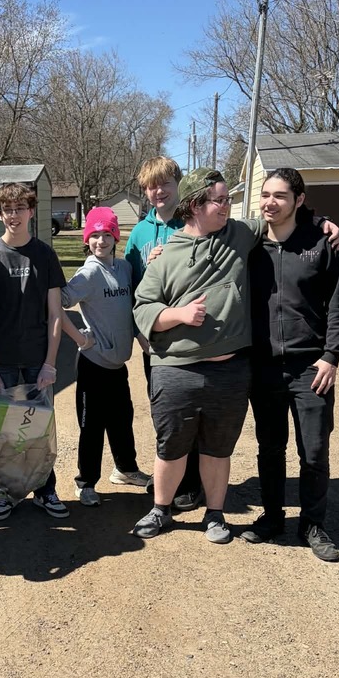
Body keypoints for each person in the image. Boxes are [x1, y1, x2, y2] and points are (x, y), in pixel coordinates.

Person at [132, 168, 260, 544]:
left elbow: (277, 219)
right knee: (171, 446)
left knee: (218, 448)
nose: (227, 206)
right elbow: (142, 309)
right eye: (219, 200)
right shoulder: (167, 255)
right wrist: (178, 315)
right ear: (195, 205)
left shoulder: (238, 234)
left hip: (229, 369)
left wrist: (320, 224)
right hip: (176, 370)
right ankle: (160, 509)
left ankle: (215, 515)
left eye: (227, 199)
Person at [242, 168, 339, 562]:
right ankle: (272, 518)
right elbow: (202, 238)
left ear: (299, 201)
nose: (270, 202)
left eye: (280, 196)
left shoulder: (320, 243)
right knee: (270, 448)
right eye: (265, 195)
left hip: (311, 366)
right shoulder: (250, 244)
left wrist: (332, 356)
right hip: (264, 365)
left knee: (315, 451)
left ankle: (313, 525)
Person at [0, 182, 69, 520]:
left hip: (37, 362)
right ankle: (7, 494)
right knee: (7, 434)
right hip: (3, 363)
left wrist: (50, 364)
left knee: (39, 431)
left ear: (31, 211)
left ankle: (45, 490)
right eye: (7, 209)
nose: (14, 215)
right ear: (0, 214)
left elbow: (56, 314)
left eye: (19, 208)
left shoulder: (45, 254)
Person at [124, 157, 203, 510]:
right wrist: (137, 331)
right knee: (165, 413)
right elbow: (130, 284)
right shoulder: (140, 233)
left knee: (194, 410)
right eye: (151, 186)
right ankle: (169, 475)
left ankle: (191, 481)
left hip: (192, 336)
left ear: (177, 184)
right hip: (154, 339)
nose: (158, 191)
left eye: (164, 184)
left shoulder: (195, 222)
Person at [60, 207, 150, 506]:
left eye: (106, 234)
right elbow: (56, 302)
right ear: (87, 239)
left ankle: (125, 470)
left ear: (115, 236)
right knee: (92, 426)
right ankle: (85, 483)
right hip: (93, 364)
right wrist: (80, 338)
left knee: (122, 420)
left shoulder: (123, 269)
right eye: (94, 235)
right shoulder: (88, 273)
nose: (100, 241)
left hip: (118, 364)